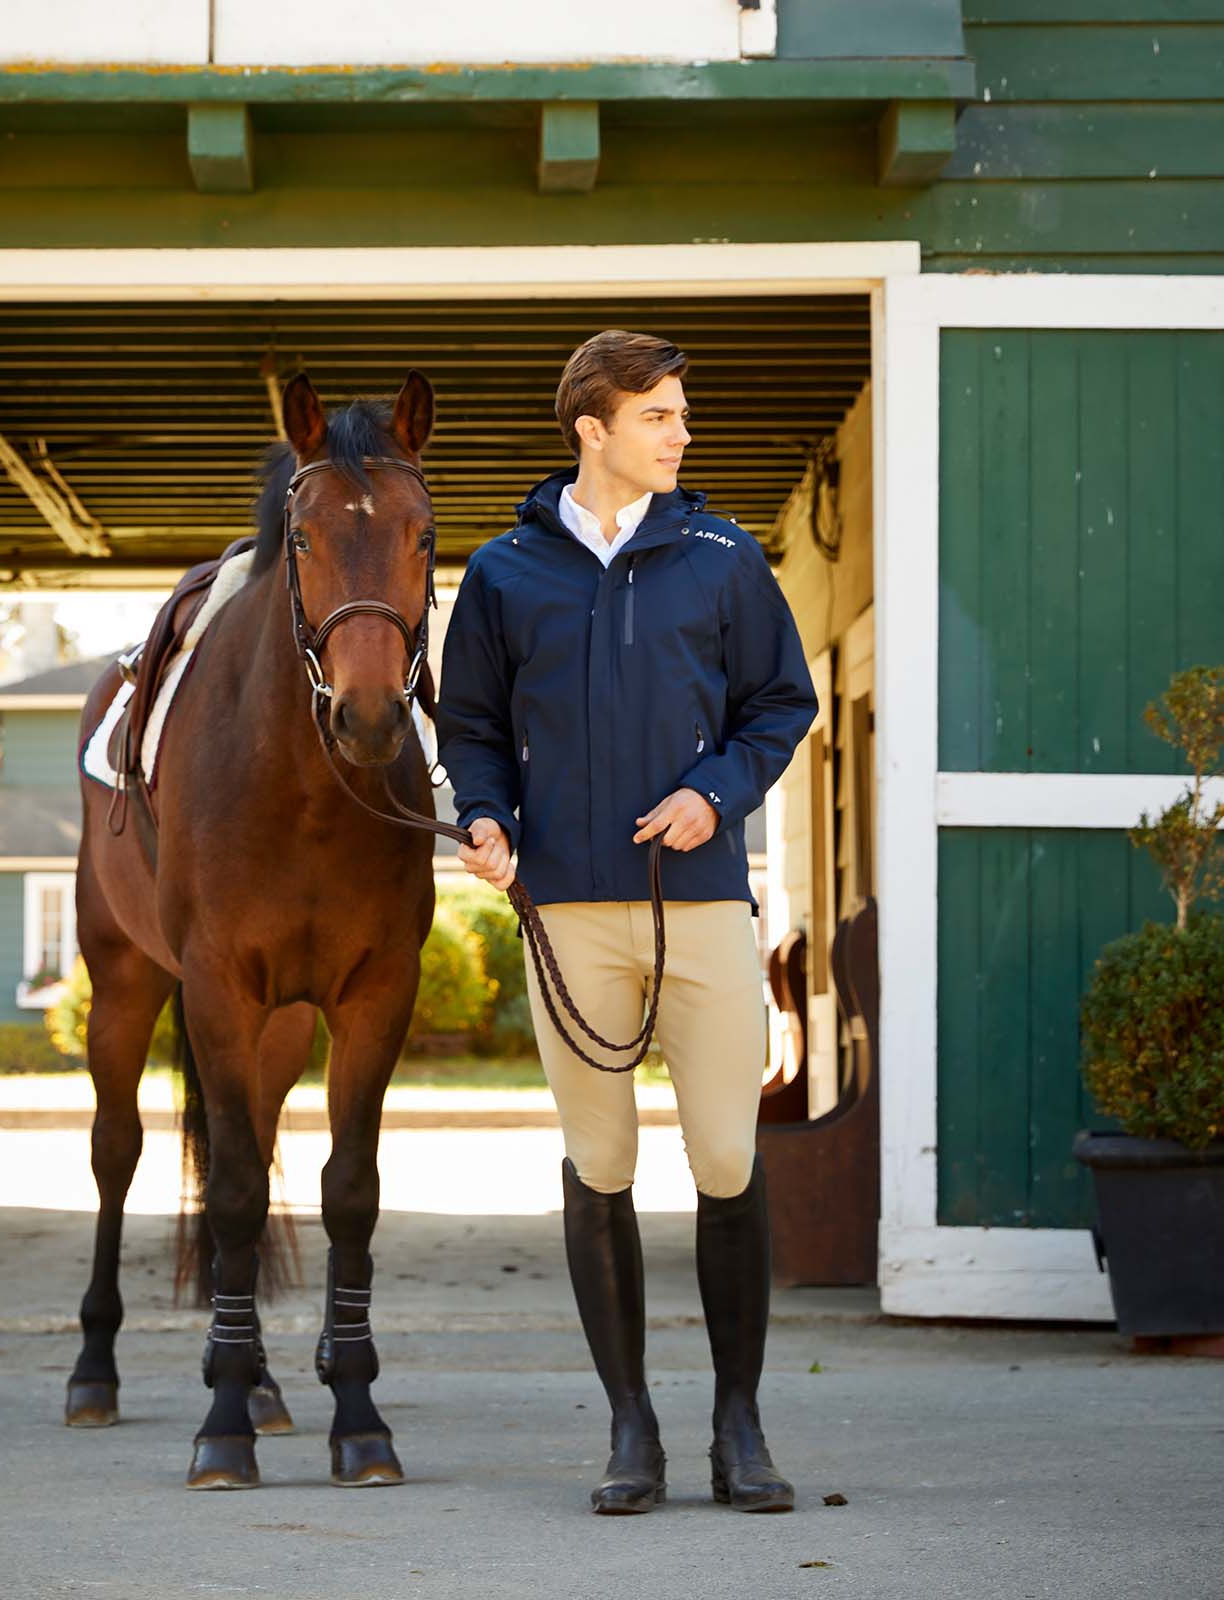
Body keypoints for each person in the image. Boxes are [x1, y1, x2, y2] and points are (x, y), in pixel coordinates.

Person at [436, 329, 817, 1516]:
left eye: (679, 414)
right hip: (567, 910)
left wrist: (716, 794)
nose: (681, 432)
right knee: (599, 1162)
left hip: (700, 910)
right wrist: (488, 819)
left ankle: (739, 1426)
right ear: (591, 429)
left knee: (725, 1156)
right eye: (658, 414)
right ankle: (631, 1427)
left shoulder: (719, 555)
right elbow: (473, 729)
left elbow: (779, 702)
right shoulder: (503, 572)